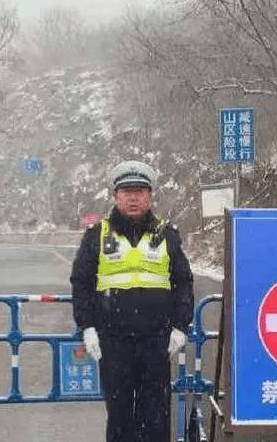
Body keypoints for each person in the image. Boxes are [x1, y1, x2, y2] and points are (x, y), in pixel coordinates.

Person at [71, 160, 194, 442]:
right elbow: (81, 284)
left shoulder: (167, 234)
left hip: (156, 341)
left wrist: (180, 326)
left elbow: (183, 283)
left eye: (140, 191)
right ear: (115, 196)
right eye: (126, 191)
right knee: (119, 414)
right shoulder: (96, 235)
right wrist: (87, 327)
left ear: (150, 196)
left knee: (155, 414)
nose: (133, 197)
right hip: (114, 342)